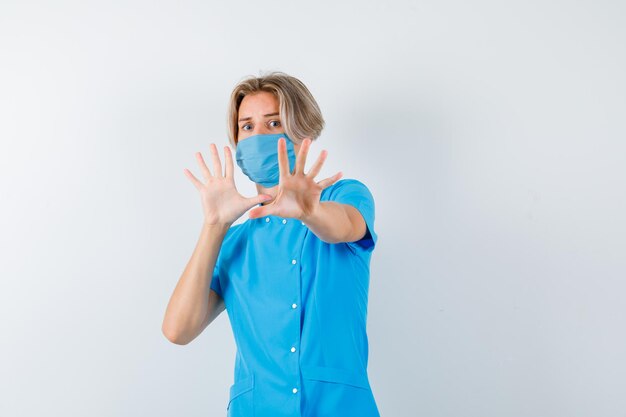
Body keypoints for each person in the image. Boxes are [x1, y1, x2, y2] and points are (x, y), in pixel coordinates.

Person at [162, 71, 380, 417]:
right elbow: (178, 329)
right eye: (246, 127)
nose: (258, 136)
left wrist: (309, 211)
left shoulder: (345, 196)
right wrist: (214, 226)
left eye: (274, 123)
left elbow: (343, 227)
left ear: (303, 132)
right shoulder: (235, 239)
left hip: (338, 407)